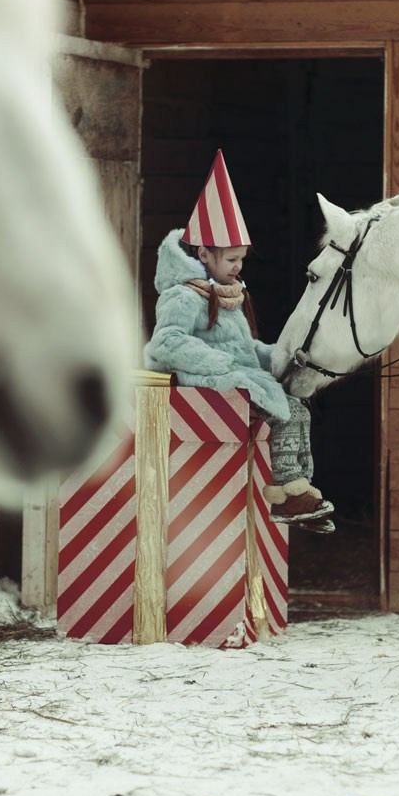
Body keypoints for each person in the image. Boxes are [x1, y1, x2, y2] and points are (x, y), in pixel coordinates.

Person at [144, 150, 334, 534]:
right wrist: (221, 364)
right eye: (231, 259)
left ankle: (300, 494)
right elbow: (166, 342)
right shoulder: (184, 296)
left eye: (242, 259)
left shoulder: (227, 294)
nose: (238, 267)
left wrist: (280, 356)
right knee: (284, 411)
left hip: (237, 377)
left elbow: (246, 348)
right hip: (208, 384)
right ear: (204, 254)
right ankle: (288, 495)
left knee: (299, 409)